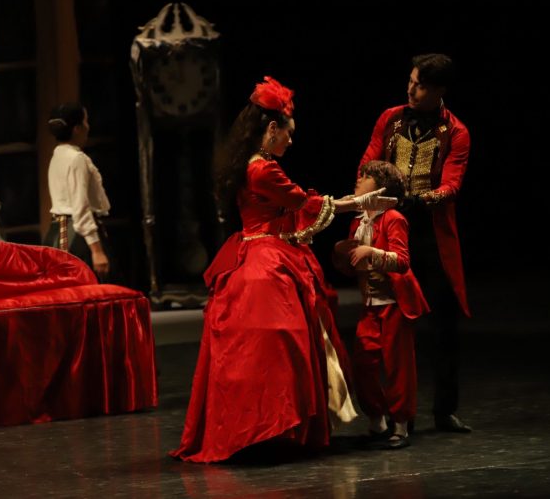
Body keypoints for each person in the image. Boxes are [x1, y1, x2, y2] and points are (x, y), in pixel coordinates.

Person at [170, 76, 397, 463]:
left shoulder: (251, 163)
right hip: (267, 260)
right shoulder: (262, 170)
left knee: (269, 346)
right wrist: (357, 203)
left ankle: (265, 428)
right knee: (283, 344)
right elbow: (300, 203)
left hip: (254, 252)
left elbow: (297, 205)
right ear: (272, 128)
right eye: (288, 134)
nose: (291, 141)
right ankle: (273, 426)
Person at [358, 53, 472, 433]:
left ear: (439, 90)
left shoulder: (455, 132)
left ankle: (444, 410)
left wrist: (420, 200)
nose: (410, 89)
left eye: (420, 85)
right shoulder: (390, 119)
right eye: (410, 81)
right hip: (392, 228)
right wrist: (372, 201)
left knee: (444, 325)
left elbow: (452, 185)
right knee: (390, 324)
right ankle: (393, 412)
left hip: (430, 236)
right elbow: (368, 163)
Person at [333, 160, 429, 449]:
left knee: (399, 367)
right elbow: (354, 263)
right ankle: (378, 421)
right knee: (362, 363)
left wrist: (371, 252)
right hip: (371, 305)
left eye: (365, 177)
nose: (358, 180)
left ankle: (401, 425)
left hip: (394, 303)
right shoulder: (358, 221)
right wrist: (345, 256)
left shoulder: (393, 218)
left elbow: (402, 261)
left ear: (381, 187)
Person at [43, 103, 112, 281]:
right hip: (76, 237)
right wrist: (97, 251)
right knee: (92, 291)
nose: (88, 127)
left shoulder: (58, 154)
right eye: (86, 121)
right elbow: (80, 209)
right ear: (77, 129)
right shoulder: (76, 159)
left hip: (59, 232)